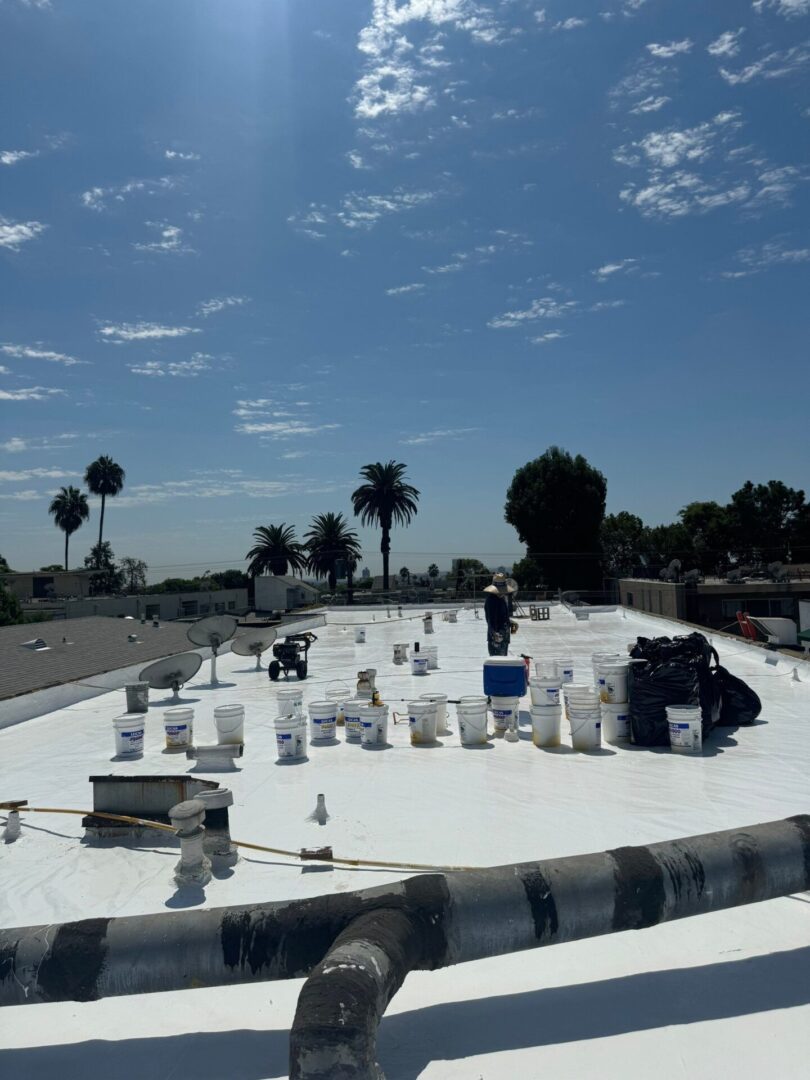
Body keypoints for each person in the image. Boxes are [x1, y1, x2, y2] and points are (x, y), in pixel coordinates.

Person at [483, 573, 517, 656]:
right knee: (498, 663)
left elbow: (503, 617)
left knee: (503, 662)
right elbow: (491, 620)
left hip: (503, 638)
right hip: (497, 639)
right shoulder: (491, 601)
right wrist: (495, 634)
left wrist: (510, 623)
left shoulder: (501, 599)